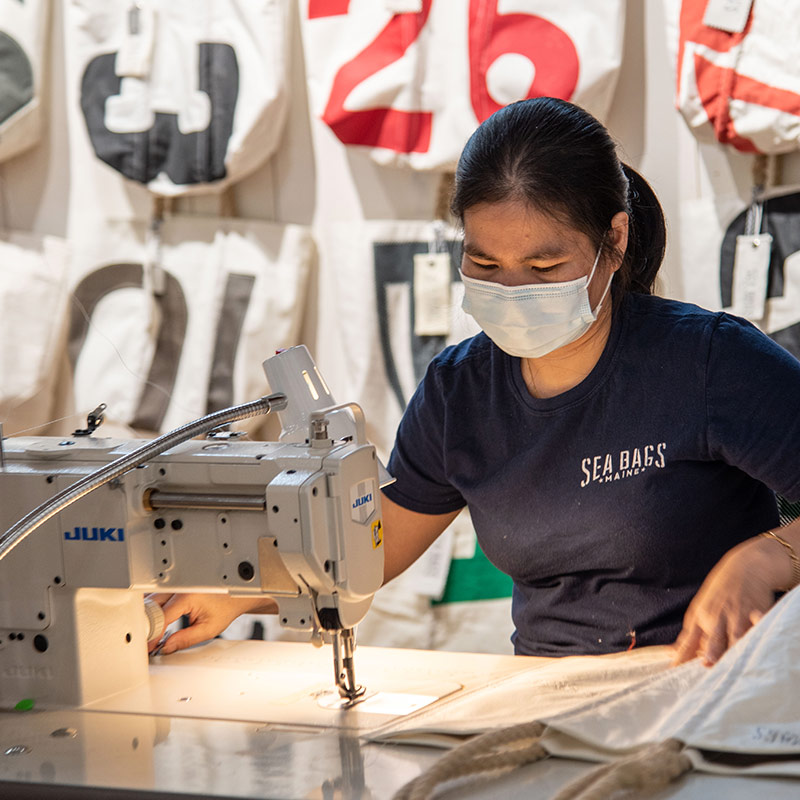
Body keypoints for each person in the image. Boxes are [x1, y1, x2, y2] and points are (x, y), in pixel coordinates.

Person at [151, 97, 800, 667]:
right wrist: (230, 590)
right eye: (484, 262)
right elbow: (374, 545)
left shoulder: (707, 363)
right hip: (546, 697)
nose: (510, 289)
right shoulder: (460, 393)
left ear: (615, 239)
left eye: (544, 266)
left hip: (711, 691)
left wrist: (770, 555)